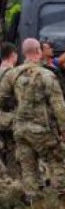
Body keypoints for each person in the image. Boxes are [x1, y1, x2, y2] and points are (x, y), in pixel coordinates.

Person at [0, 37, 65, 204]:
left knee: (28, 166)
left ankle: (34, 201)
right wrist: (64, 128)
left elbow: (2, 98)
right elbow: (58, 105)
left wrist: (16, 107)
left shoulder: (12, 75)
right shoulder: (47, 75)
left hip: (20, 129)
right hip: (42, 129)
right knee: (56, 161)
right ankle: (63, 198)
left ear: (23, 54)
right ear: (38, 52)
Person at [0, 42, 18, 176]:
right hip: (9, 118)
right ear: (13, 55)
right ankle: (12, 178)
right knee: (12, 149)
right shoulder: (13, 74)